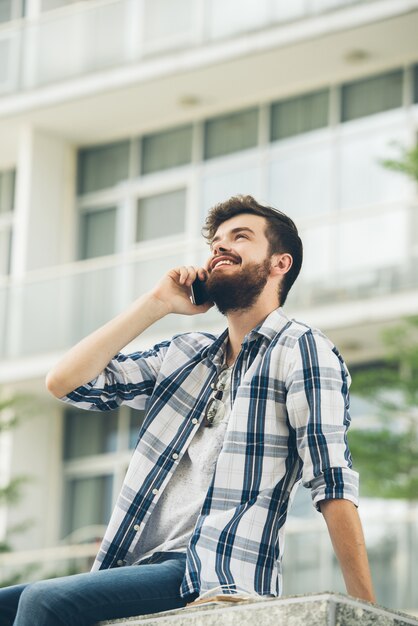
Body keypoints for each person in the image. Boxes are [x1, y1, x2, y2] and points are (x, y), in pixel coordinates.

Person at [0, 195, 375, 626]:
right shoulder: (185, 353)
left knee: (45, 604)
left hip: (209, 573)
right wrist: (157, 303)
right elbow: (67, 382)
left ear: (280, 264)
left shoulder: (301, 348)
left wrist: (366, 609)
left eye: (240, 237)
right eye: (215, 242)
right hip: (133, 565)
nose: (220, 247)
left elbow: (331, 478)